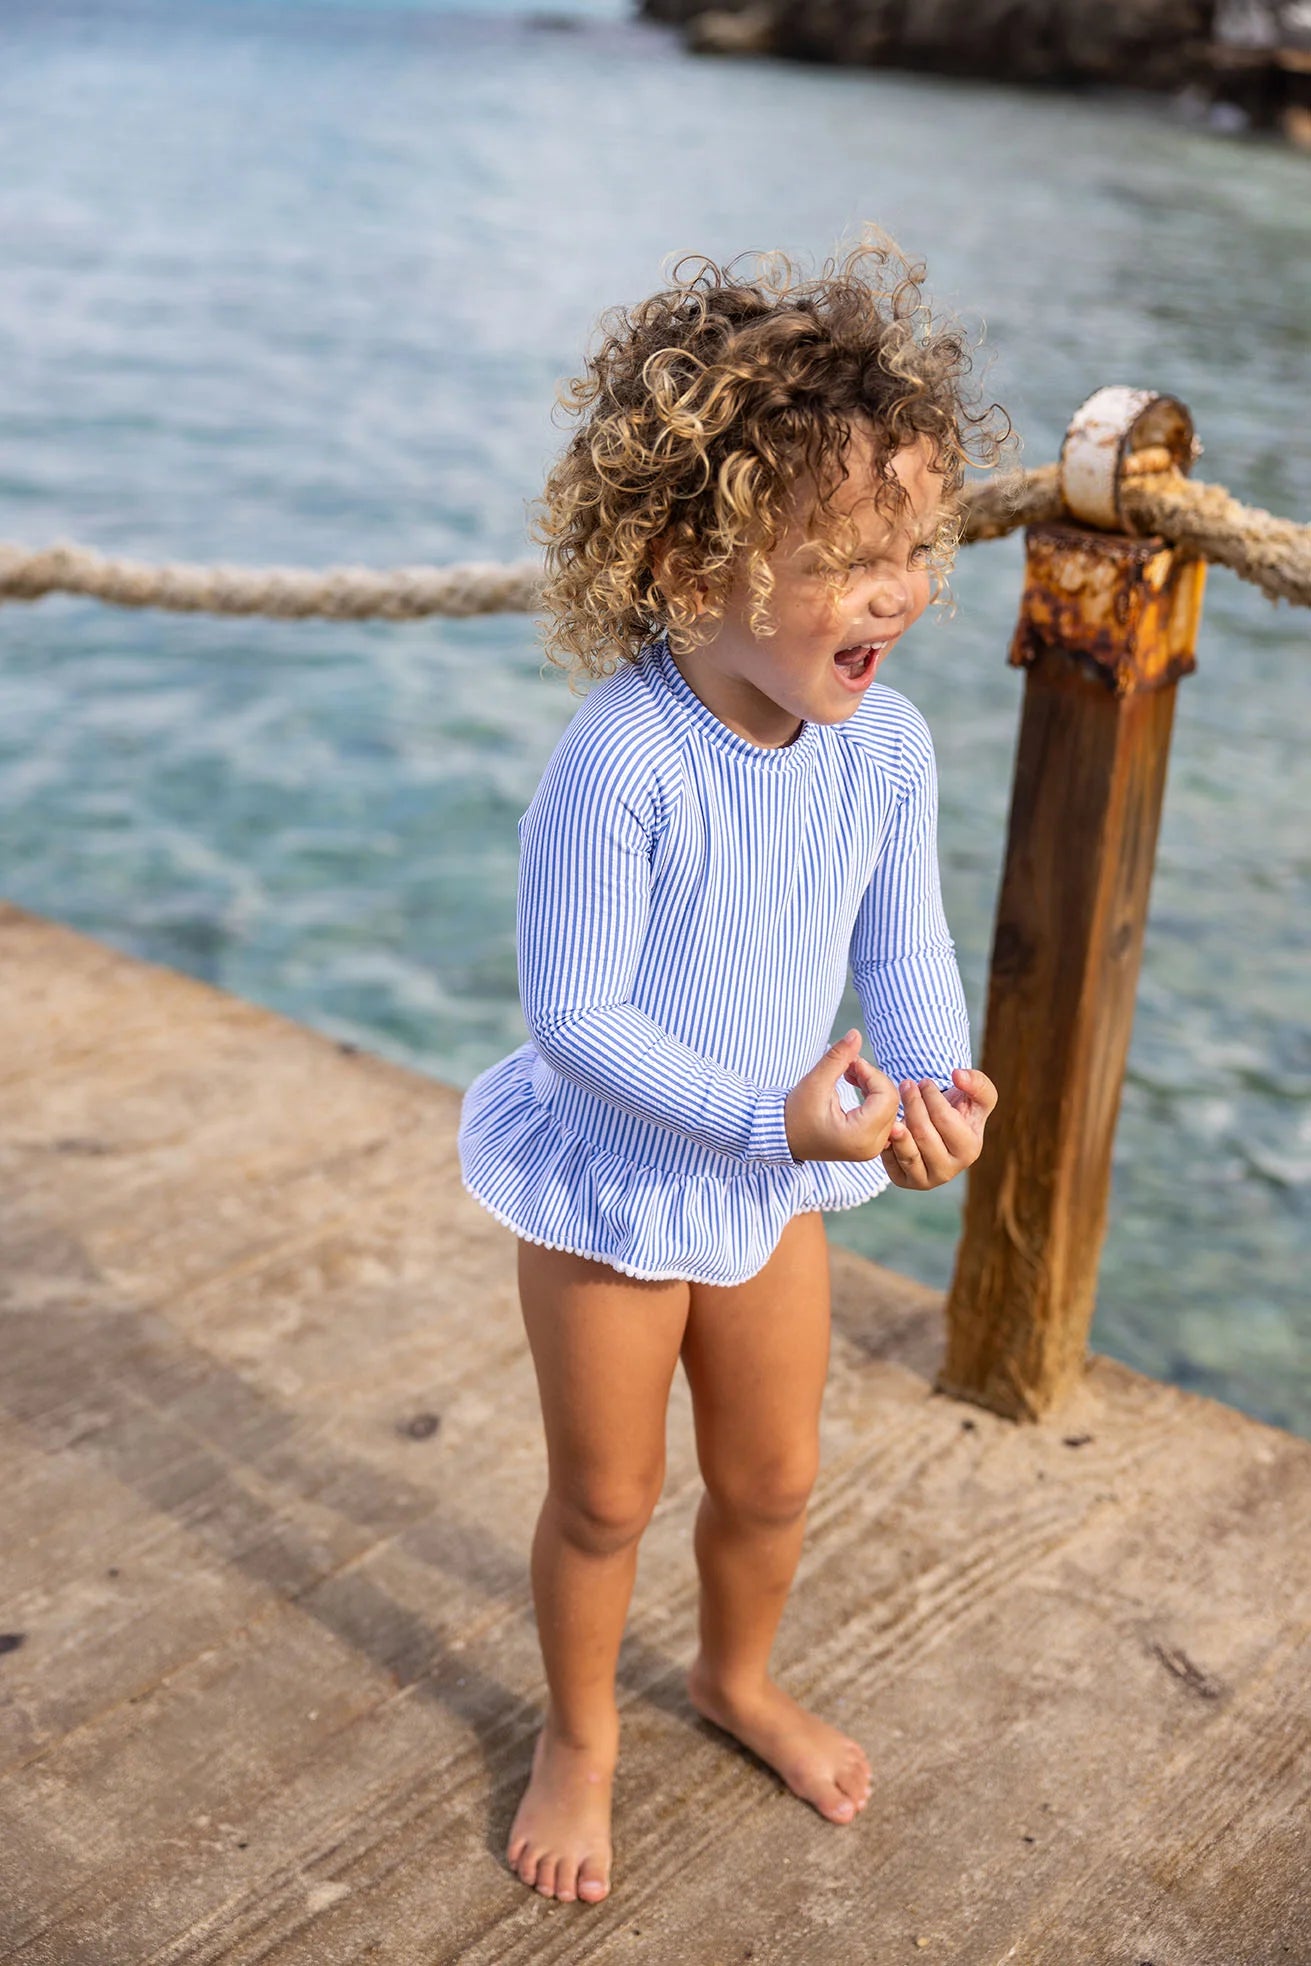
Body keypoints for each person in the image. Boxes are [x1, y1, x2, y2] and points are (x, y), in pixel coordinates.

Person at [458, 237, 1007, 1907]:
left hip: (778, 1188)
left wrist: (933, 1097)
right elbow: (578, 1017)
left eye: (914, 545)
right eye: (848, 558)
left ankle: (735, 1675)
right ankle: (579, 1733)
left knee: (773, 1475)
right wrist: (759, 1110)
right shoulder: (619, 759)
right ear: (697, 562)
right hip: (618, 1185)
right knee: (609, 1496)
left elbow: (904, 959)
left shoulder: (887, 751)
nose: (898, 591)